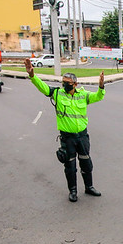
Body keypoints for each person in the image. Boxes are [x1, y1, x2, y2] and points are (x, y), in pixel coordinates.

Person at [23, 59, 105, 202]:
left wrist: (101, 86)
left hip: (83, 136)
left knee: (86, 162)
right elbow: (43, 88)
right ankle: (72, 191)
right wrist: (32, 76)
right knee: (70, 165)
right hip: (68, 138)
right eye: (63, 82)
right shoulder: (58, 94)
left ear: (75, 84)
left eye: (67, 83)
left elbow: (98, 96)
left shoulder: (83, 95)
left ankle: (89, 187)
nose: (65, 85)